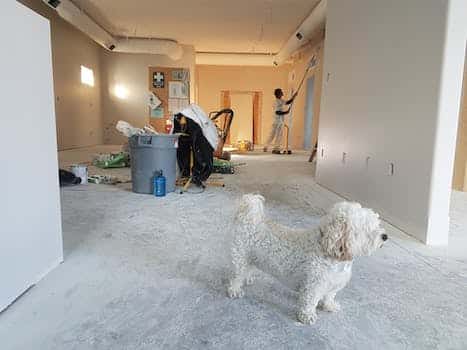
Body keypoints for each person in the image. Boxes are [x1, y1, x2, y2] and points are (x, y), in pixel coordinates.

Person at [263, 88, 296, 153]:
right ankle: (273, 148)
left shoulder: (281, 100)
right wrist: (286, 112)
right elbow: (277, 112)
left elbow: (288, 102)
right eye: (281, 92)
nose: (282, 93)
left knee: (274, 134)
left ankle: (270, 147)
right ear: (278, 94)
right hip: (277, 121)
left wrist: (294, 96)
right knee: (275, 135)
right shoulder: (276, 102)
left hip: (280, 121)